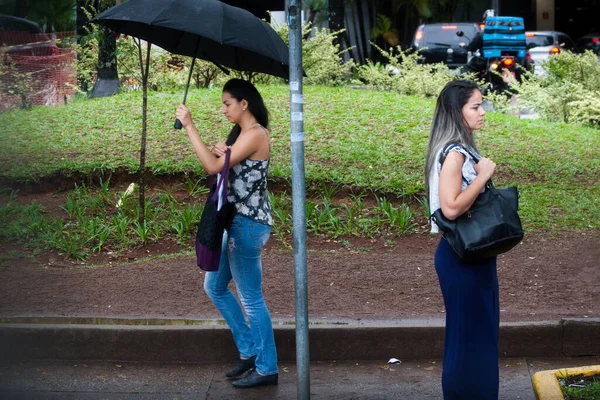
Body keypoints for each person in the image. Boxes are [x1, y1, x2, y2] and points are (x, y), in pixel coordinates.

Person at [175, 78, 278, 389]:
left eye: (227, 104)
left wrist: (189, 125)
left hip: (247, 224)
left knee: (251, 298)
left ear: (243, 103)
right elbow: (221, 166)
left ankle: (267, 367)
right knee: (215, 286)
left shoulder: (255, 133)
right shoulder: (242, 135)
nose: (224, 110)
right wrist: (224, 152)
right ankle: (249, 350)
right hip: (235, 222)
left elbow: (211, 167)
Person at [424, 80, 499, 399]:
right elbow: (451, 207)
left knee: (479, 335)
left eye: (482, 105)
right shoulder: (454, 154)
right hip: (461, 256)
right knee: (466, 337)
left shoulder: (461, 148)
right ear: (457, 112)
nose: (482, 112)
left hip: (474, 256)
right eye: (475, 106)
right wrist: (483, 176)